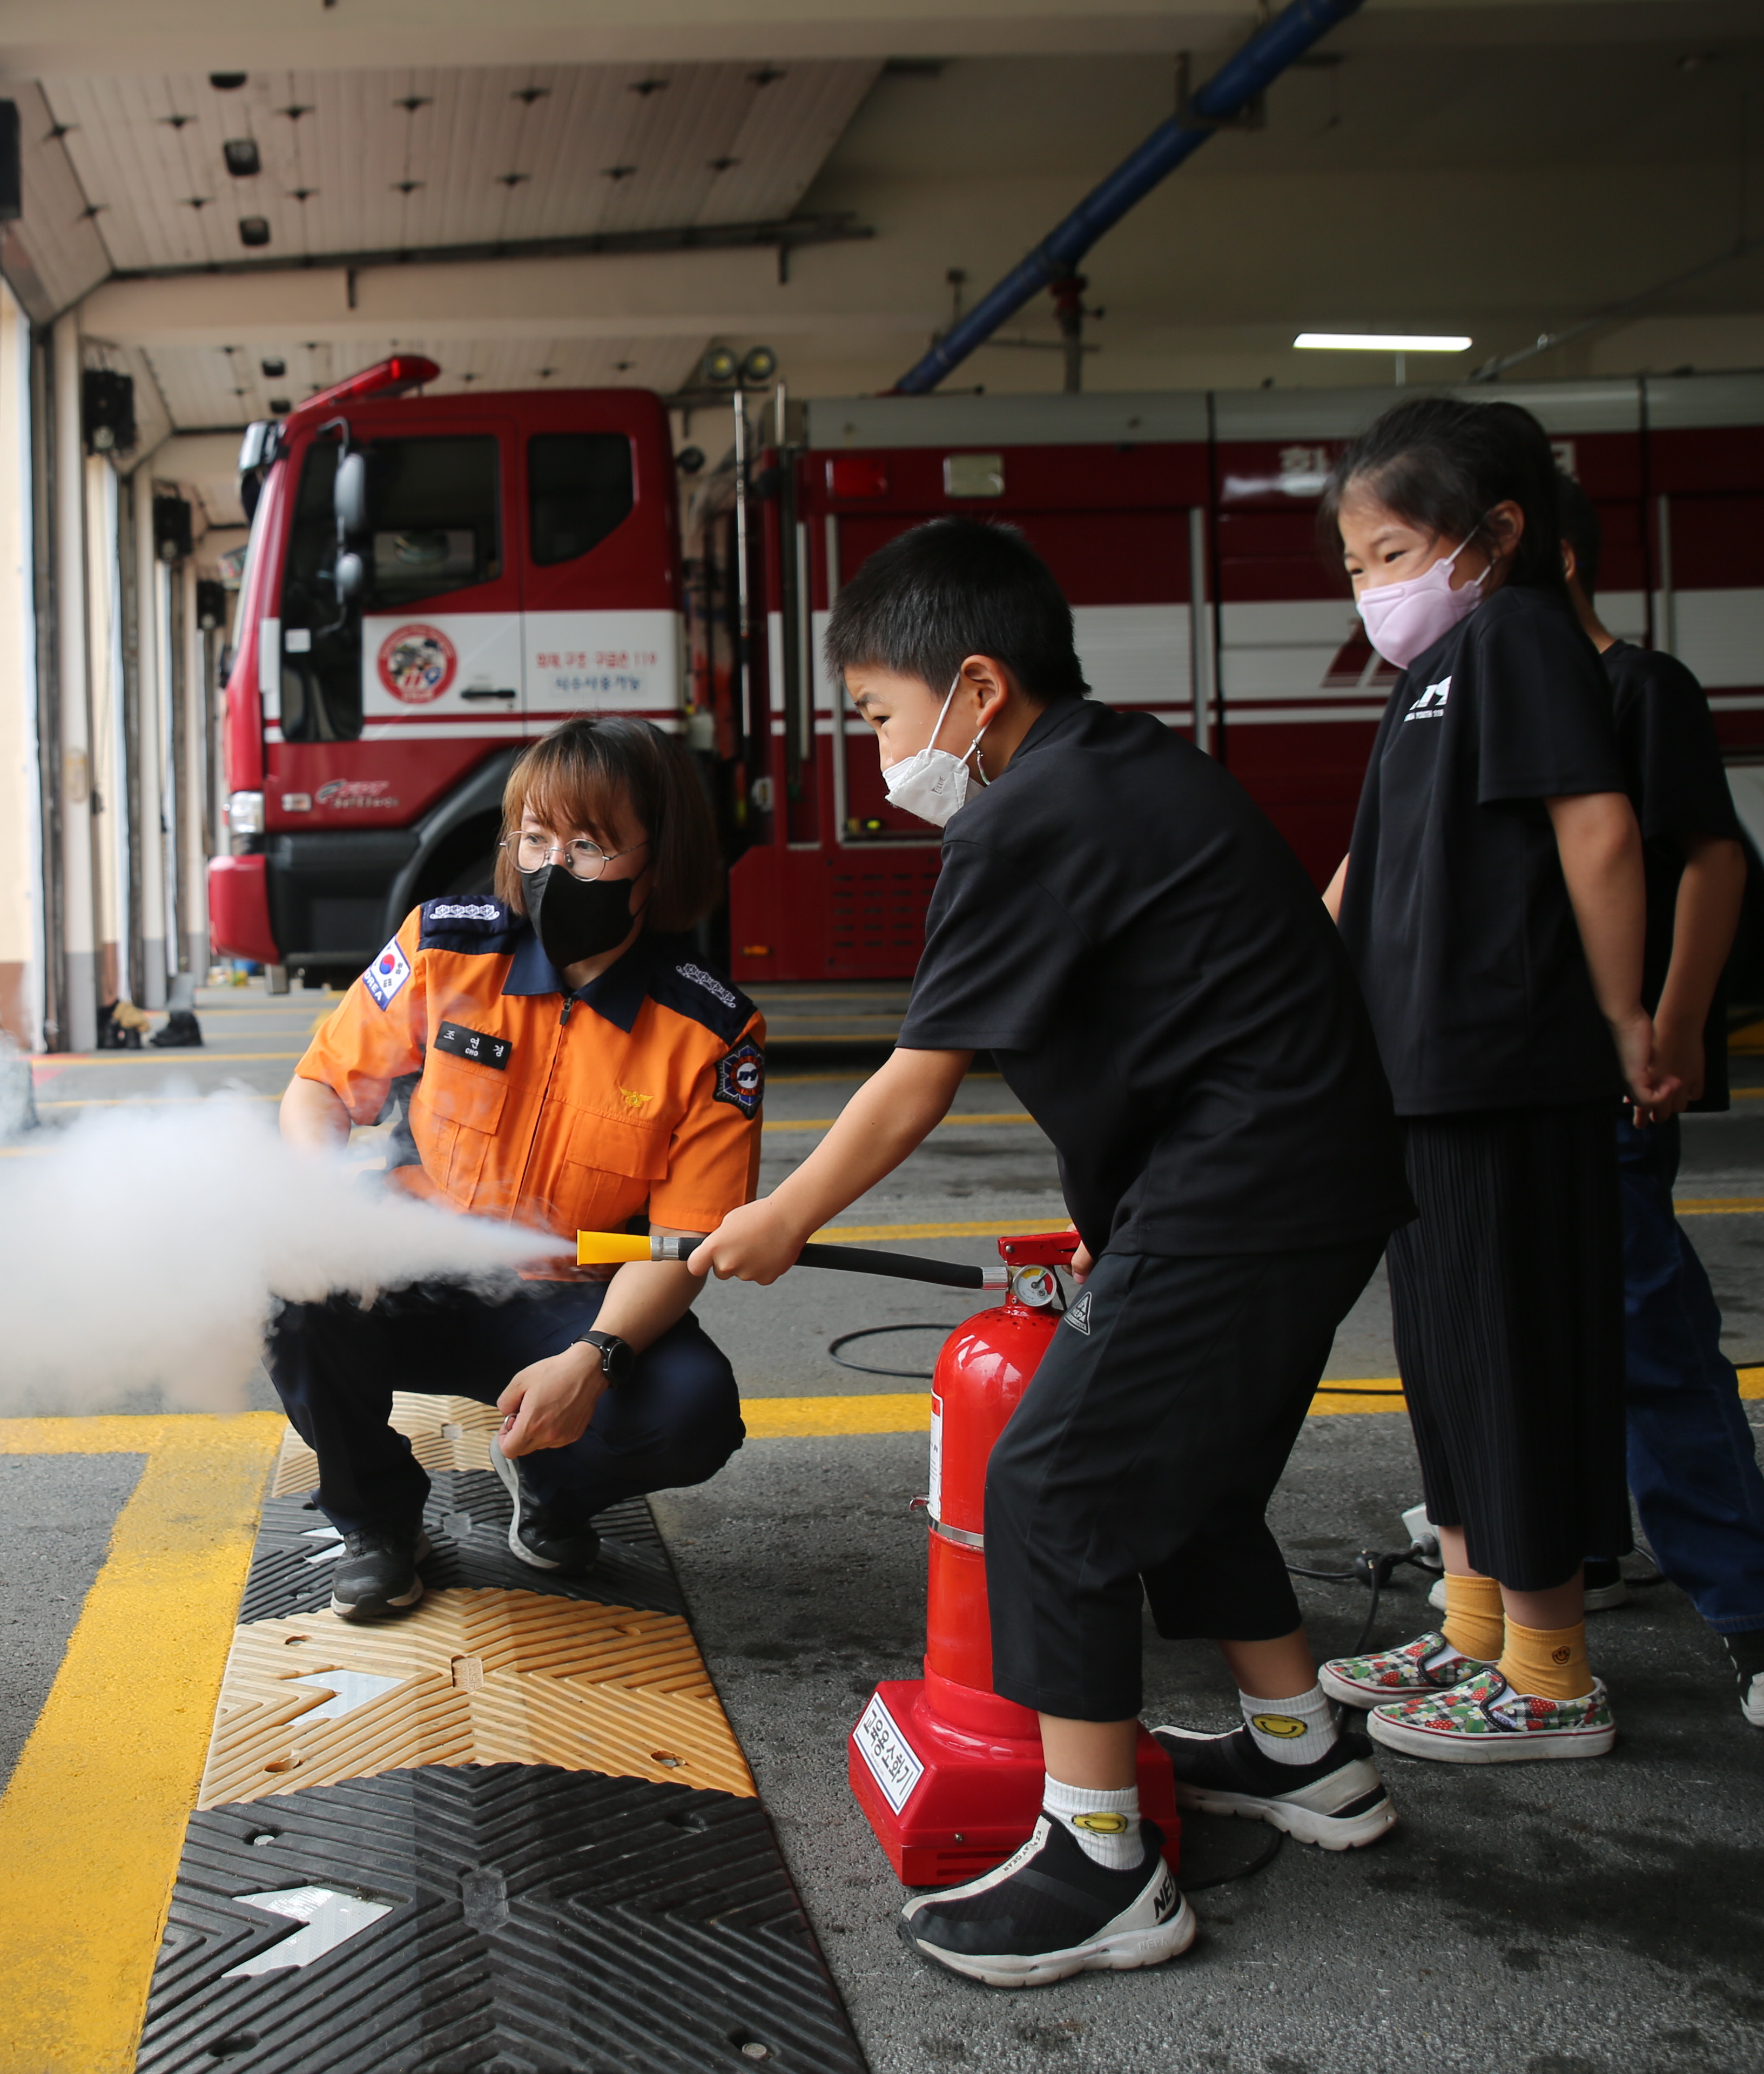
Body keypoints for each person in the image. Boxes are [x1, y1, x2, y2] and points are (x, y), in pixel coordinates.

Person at [696, 518, 1414, 1990]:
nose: (877, 752)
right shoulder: (1123, 764)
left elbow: (918, 1078)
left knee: (1055, 1485)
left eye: (878, 715)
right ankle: (1304, 1755)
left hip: (1246, 1192)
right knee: (1188, 1481)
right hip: (1291, 1180)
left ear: (976, 688)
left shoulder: (1025, 814)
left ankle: (1100, 1867)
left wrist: (782, 1217)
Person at [1309, 398, 1681, 1764]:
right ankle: (1473, 1628)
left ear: (1498, 534)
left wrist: (1628, 1016)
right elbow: (1361, 873)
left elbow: (1600, 833)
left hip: (1503, 1069)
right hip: (1420, 1077)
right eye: (1357, 563)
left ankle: (1551, 1671)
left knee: (1514, 1362)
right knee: (1451, 1358)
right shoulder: (1429, 677)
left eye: (1394, 553)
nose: (1373, 587)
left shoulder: (1519, 639)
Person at [269, 715, 764, 1621]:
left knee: (692, 1413)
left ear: (660, 859)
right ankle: (377, 1521)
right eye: (535, 840)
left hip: (571, 1302)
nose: (552, 868)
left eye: (589, 846)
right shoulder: (445, 949)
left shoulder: (710, 1033)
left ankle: (553, 1487)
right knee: (290, 1294)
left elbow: (682, 1242)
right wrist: (320, 1210)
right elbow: (321, 1089)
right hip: (417, 1269)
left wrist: (595, 1359)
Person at [1553, 475, 1764, 1730]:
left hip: (1606, 1078)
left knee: (1649, 1334)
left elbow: (1708, 858)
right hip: (1499, 1082)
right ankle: (1584, 1547)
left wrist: (1668, 1028)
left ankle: (1758, 1617)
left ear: (1551, 554)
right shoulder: (1476, 699)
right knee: (1533, 1336)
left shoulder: (1639, 688)